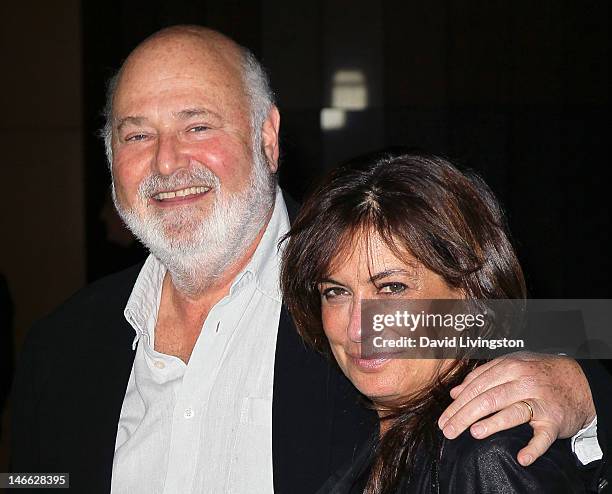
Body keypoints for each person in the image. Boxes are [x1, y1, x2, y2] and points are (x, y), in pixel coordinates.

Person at [10, 26, 609, 493]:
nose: (167, 163)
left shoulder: (362, 298)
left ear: (267, 138)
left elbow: (573, 329)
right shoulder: (59, 344)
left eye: (197, 126)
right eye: (136, 135)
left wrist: (583, 392)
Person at [280, 150, 595, 492]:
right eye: (336, 292)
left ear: (468, 294)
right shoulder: (364, 436)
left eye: (392, 288)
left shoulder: (489, 452)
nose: (358, 327)